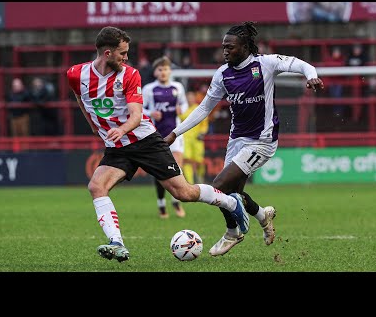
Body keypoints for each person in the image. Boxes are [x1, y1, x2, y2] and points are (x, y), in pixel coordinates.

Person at [67, 26, 249, 263]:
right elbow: (80, 97)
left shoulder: (129, 75)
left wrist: (120, 129)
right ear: (107, 53)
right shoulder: (75, 74)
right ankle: (117, 243)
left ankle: (230, 202)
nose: (126, 57)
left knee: (183, 192)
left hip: (145, 142)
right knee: (96, 186)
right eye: (123, 53)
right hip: (118, 147)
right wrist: (93, 124)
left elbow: (135, 116)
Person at [164, 21, 324, 256]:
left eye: (230, 47)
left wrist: (312, 76)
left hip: (263, 140)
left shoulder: (266, 64)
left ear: (246, 47)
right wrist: (175, 133)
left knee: (218, 186)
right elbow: (203, 109)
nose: (225, 51)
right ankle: (263, 215)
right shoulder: (222, 74)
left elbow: (300, 64)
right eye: (223, 47)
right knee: (231, 195)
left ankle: (233, 232)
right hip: (237, 140)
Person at [142, 56, 188, 219]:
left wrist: (181, 109)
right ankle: (161, 203)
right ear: (155, 72)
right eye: (160, 69)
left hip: (175, 133)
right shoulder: (149, 89)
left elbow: (184, 104)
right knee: (160, 171)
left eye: (166, 69)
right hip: (156, 134)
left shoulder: (177, 87)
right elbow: (140, 109)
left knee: (177, 168)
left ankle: (176, 200)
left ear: (170, 71)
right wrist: (151, 113)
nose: (163, 72)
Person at [180, 90, 209, 184]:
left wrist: (202, 133)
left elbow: (204, 124)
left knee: (199, 161)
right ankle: (190, 182)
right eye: (188, 98)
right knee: (187, 160)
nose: (190, 100)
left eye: (191, 98)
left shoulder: (199, 109)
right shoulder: (182, 110)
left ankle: (200, 178)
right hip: (185, 139)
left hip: (197, 139)